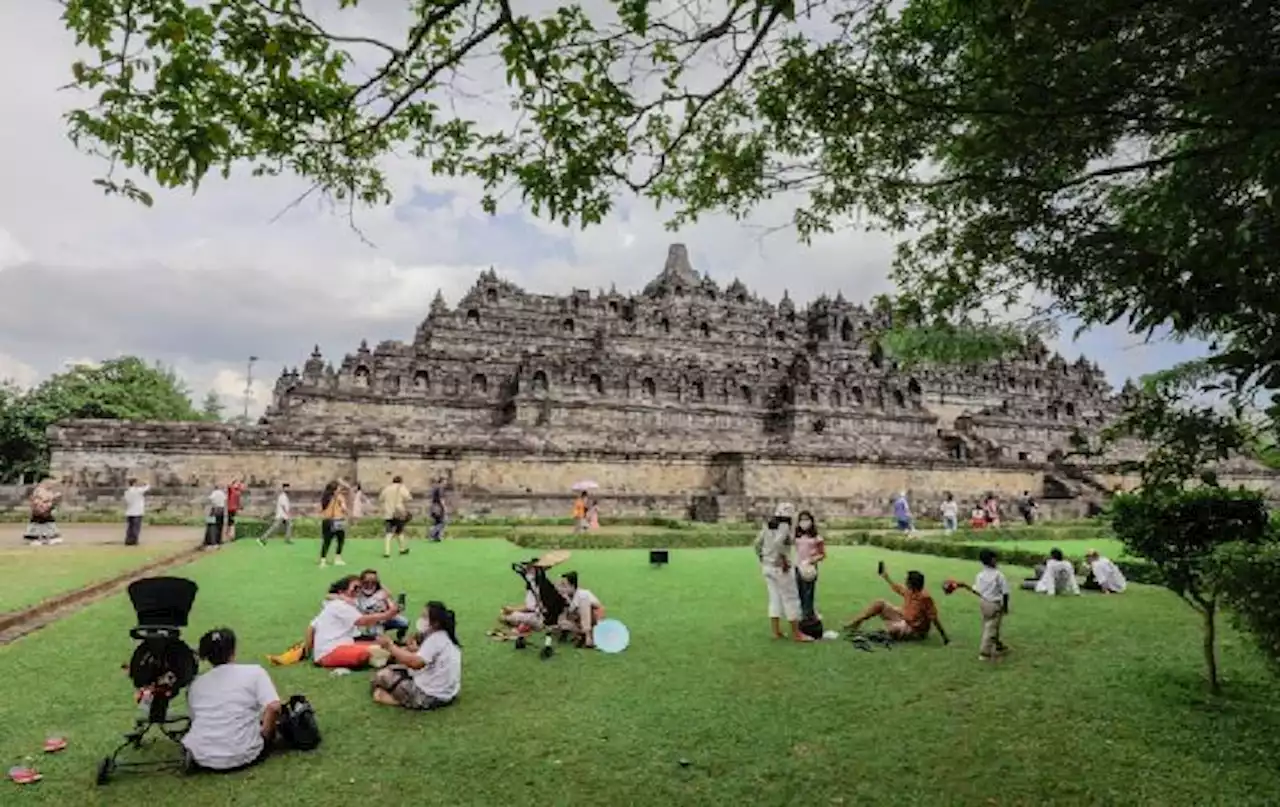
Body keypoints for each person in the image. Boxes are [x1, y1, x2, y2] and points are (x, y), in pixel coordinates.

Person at [182, 627, 283, 772]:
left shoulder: (195, 684)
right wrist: (266, 736)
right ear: (233, 650)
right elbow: (273, 707)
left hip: (203, 757)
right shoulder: (254, 672)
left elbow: (195, 718)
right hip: (247, 753)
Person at [371, 600, 462, 710]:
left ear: (435, 623)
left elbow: (415, 663)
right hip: (447, 694)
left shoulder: (435, 639)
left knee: (382, 676)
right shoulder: (445, 637)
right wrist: (414, 650)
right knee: (394, 669)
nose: (421, 620)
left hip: (429, 696)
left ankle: (394, 699)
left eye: (424, 617)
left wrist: (390, 646)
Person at [305, 576, 398, 668]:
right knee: (368, 653)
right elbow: (361, 621)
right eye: (355, 588)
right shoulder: (339, 605)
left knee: (381, 646)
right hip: (331, 651)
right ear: (342, 591)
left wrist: (309, 651)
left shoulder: (337, 604)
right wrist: (387, 615)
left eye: (360, 588)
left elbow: (311, 627)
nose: (358, 591)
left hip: (343, 645)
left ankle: (395, 655)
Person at [846, 565, 949, 643]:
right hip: (904, 618)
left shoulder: (925, 598)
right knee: (880, 603)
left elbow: (934, 619)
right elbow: (897, 588)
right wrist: (886, 577)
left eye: (907, 580)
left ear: (911, 584)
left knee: (893, 629)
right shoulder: (910, 591)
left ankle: (883, 632)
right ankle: (855, 623)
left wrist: (946, 639)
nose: (905, 581)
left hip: (914, 629)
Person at [753, 502, 810, 642]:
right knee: (791, 599)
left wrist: (762, 557)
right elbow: (779, 542)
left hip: (767, 566)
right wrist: (783, 558)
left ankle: (776, 631)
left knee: (774, 599)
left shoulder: (768, 524)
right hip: (780, 567)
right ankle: (797, 634)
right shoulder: (785, 525)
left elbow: (757, 543)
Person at [954, 548, 1010, 661]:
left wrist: (965, 585)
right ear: (992, 560)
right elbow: (1005, 592)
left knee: (992, 625)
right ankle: (984, 653)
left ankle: (998, 645)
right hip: (995, 604)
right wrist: (1005, 606)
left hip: (984, 603)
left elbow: (977, 591)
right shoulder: (999, 575)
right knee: (991, 628)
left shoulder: (980, 575)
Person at [354, 569, 409, 642]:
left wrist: (397, 608)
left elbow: (392, 607)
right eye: (367, 582)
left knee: (404, 622)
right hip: (372, 622)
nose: (370, 585)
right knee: (376, 636)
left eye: (373, 582)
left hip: (386, 619)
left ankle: (400, 636)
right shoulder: (357, 595)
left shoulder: (382, 592)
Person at [556, 571, 605, 648]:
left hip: (591, 621)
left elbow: (599, 609)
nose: (561, 588)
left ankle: (588, 637)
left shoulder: (583, 594)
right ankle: (582, 634)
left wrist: (600, 628)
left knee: (583, 602)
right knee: (562, 623)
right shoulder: (564, 596)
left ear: (572, 586)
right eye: (560, 585)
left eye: (564, 586)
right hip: (578, 622)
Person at [793, 510, 826, 621]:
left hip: (810, 568)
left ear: (811, 521)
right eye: (802, 520)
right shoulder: (796, 536)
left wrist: (811, 561)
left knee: (808, 592)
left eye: (806, 519)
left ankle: (809, 615)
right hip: (797, 567)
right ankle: (803, 613)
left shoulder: (817, 537)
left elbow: (822, 554)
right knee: (799, 592)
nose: (804, 522)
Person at [379, 475, 413, 558]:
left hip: (388, 513)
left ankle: (387, 551)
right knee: (399, 531)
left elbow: (381, 499)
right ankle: (402, 548)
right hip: (398, 514)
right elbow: (409, 498)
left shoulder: (387, 488)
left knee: (388, 533)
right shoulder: (402, 488)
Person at [319, 480, 349, 567]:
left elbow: (321, 509)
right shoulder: (339, 497)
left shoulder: (325, 497)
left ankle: (323, 560)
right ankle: (337, 558)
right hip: (337, 520)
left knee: (326, 541)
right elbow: (344, 508)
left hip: (326, 521)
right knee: (340, 540)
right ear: (335, 489)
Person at [23, 479, 62, 546]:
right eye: (51, 484)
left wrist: (54, 499)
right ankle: (35, 538)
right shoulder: (39, 490)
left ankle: (49, 538)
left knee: (48, 524)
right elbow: (38, 499)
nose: (52, 486)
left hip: (46, 510)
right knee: (37, 524)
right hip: (39, 510)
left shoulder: (49, 491)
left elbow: (50, 500)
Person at [123, 478, 149, 546]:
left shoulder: (127, 492)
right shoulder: (137, 491)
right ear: (134, 483)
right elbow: (147, 487)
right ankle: (134, 540)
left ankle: (128, 540)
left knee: (130, 527)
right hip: (137, 511)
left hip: (129, 512)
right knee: (136, 527)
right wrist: (145, 482)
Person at [203, 485, 228, 550]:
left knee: (211, 526)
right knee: (219, 526)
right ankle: (218, 541)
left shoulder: (214, 493)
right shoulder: (222, 493)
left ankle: (211, 542)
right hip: (221, 510)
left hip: (214, 510)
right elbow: (225, 500)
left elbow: (210, 500)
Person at [224, 477, 246, 542]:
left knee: (232, 522)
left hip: (235, 508)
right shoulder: (231, 489)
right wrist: (233, 481)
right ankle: (228, 535)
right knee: (230, 522)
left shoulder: (238, 490)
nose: (237, 485)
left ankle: (230, 535)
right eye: (236, 483)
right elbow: (229, 485)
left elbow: (242, 488)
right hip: (230, 508)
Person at [427, 477, 447, 542]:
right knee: (442, 522)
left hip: (433, 506)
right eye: (445, 482)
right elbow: (441, 498)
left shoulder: (435, 487)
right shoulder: (440, 488)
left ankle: (436, 537)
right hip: (438, 507)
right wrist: (444, 507)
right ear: (441, 482)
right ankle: (432, 532)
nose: (445, 483)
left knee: (437, 522)